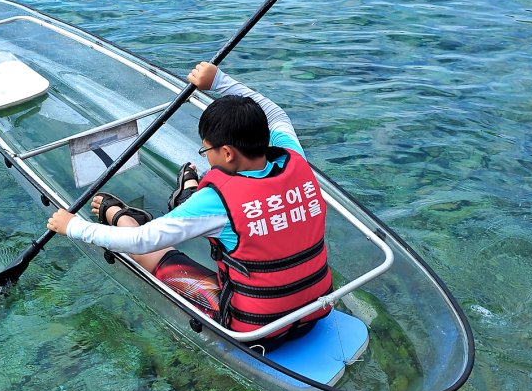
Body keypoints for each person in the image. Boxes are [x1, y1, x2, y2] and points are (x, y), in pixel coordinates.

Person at [46, 62, 332, 344]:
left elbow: (142, 241)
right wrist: (218, 81)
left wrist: (73, 226)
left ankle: (124, 216)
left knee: (157, 255)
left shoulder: (217, 200)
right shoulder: (294, 157)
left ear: (228, 153)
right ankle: (186, 194)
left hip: (260, 331)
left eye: (206, 149)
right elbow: (276, 113)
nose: (206, 154)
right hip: (315, 311)